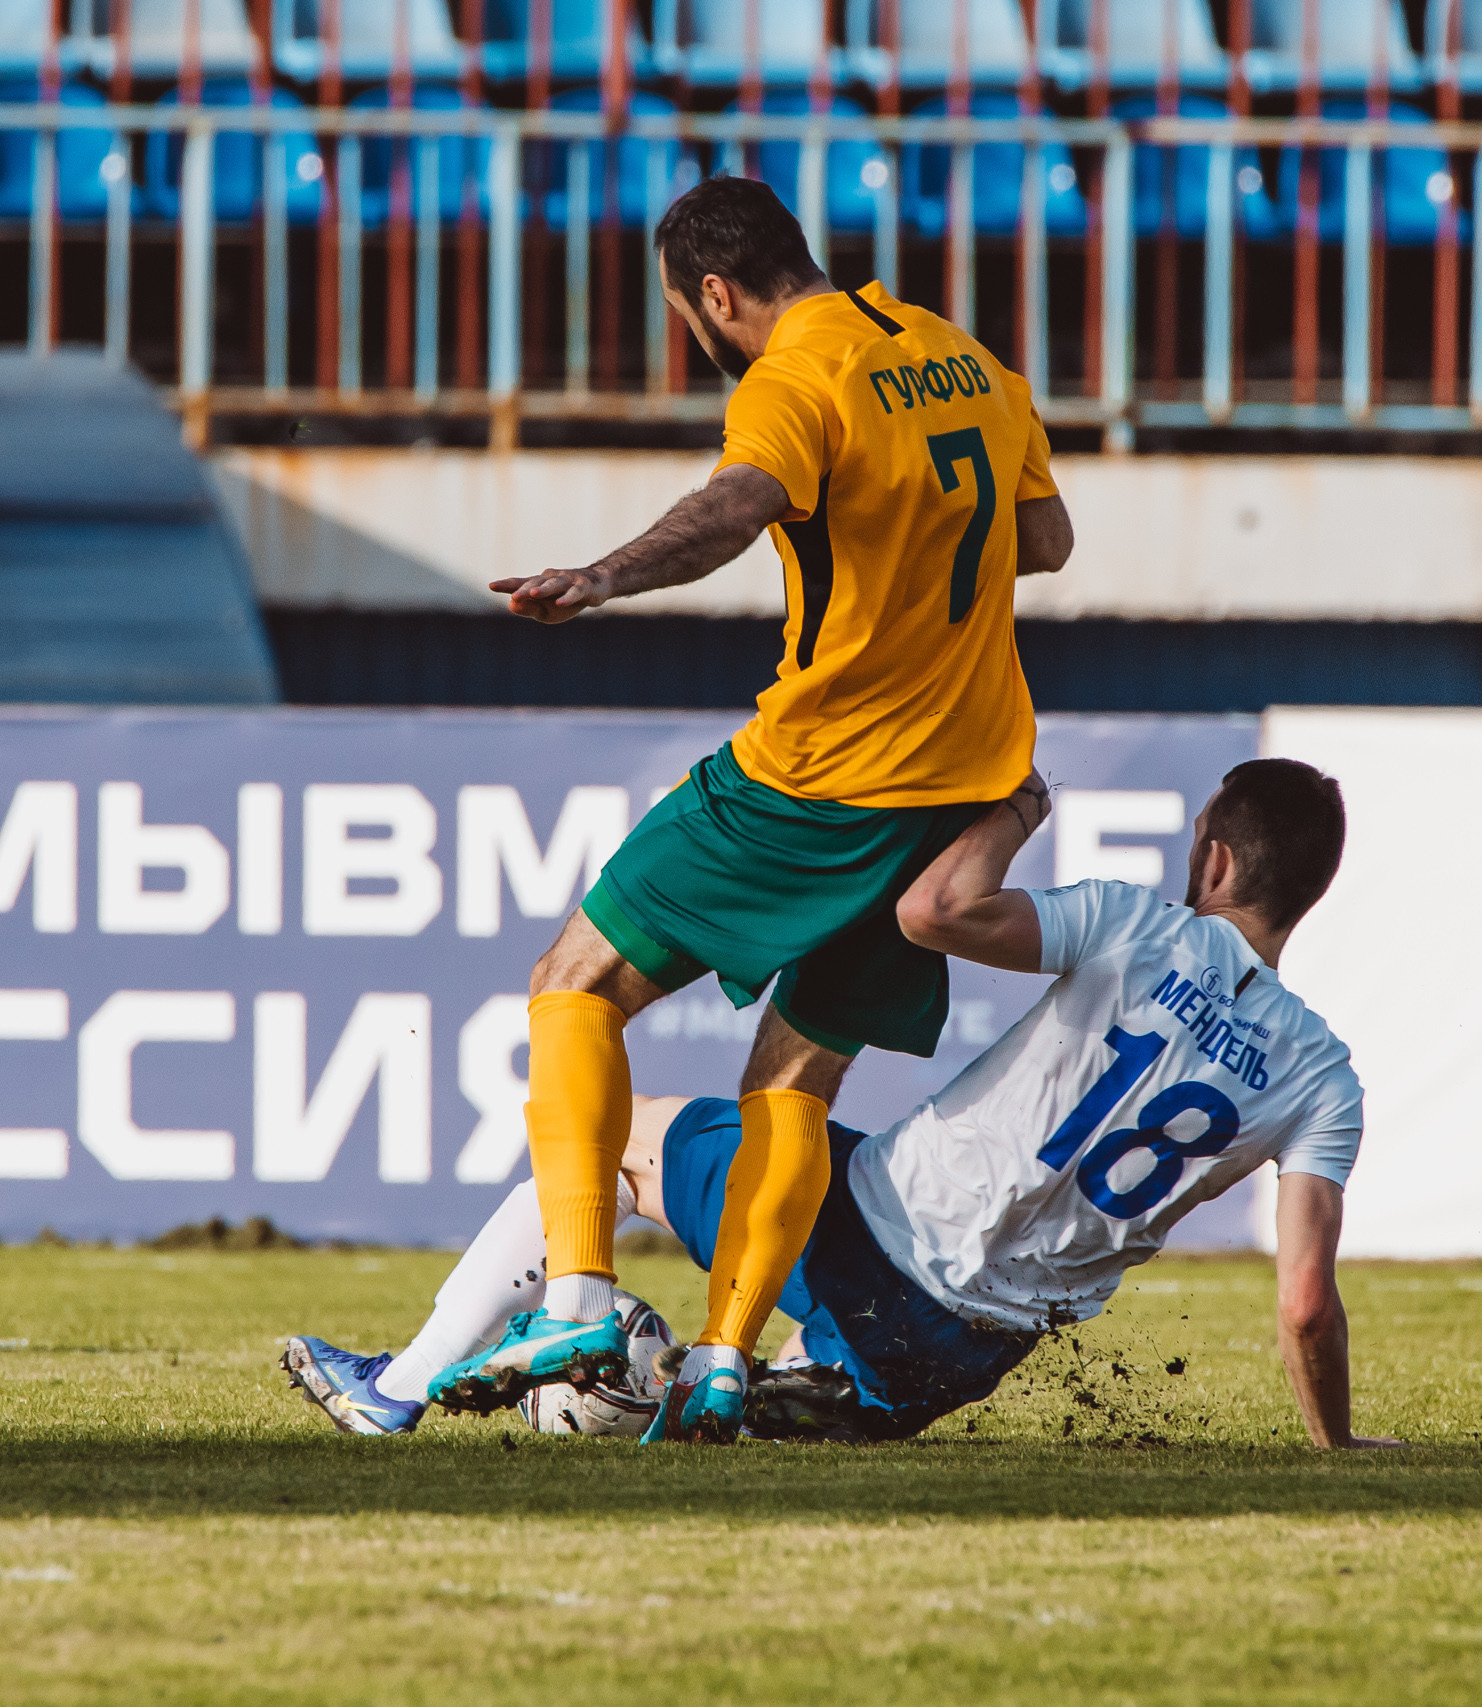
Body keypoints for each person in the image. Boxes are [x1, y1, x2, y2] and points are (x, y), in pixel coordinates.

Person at [423, 173, 1074, 1443]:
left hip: (820, 776)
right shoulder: (962, 357)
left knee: (573, 983)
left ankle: (576, 1294)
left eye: (689, 316)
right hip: (958, 784)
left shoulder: (793, 377)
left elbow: (738, 504)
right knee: (794, 1081)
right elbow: (1043, 541)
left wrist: (604, 576)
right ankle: (721, 1359)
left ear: (717, 293)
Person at [285, 757, 1400, 1450]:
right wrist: (1335, 1444)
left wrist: (1016, 811)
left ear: (1209, 856)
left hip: (871, 1241)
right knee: (753, 1396)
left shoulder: (1138, 926)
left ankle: (407, 1382)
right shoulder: (1323, 1077)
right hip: (966, 1362)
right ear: (1309, 891)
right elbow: (1305, 1304)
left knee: (609, 1137)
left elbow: (931, 910)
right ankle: (704, 1383)